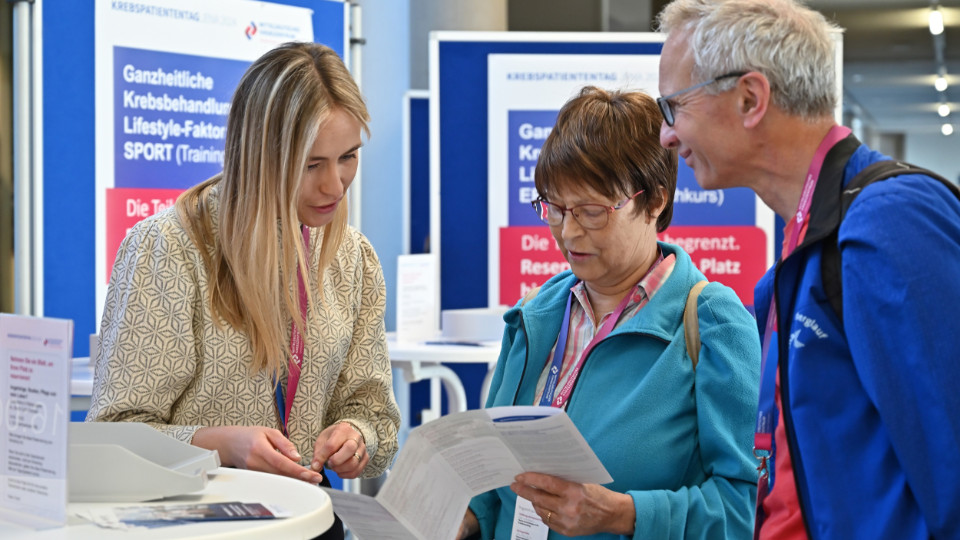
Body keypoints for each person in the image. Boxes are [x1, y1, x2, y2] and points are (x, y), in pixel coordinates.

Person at [657, 1, 960, 538]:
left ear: (750, 99)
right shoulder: (802, 254)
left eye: (673, 107)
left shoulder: (887, 222)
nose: (667, 136)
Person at [87, 42, 401, 539]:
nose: (335, 186)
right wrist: (220, 446)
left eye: (348, 157)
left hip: (308, 524)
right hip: (192, 529)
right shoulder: (168, 249)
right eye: (310, 165)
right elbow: (114, 438)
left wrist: (357, 437)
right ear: (259, 155)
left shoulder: (352, 258)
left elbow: (375, 413)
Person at [458, 86, 761, 540]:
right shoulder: (537, 314)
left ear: (654, 201)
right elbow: (493, 477)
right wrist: (462, 517)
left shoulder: (711, 324)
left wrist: (623, 514)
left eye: (593, 212)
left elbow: (742, 511)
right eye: (555, 208)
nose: (568, 232)